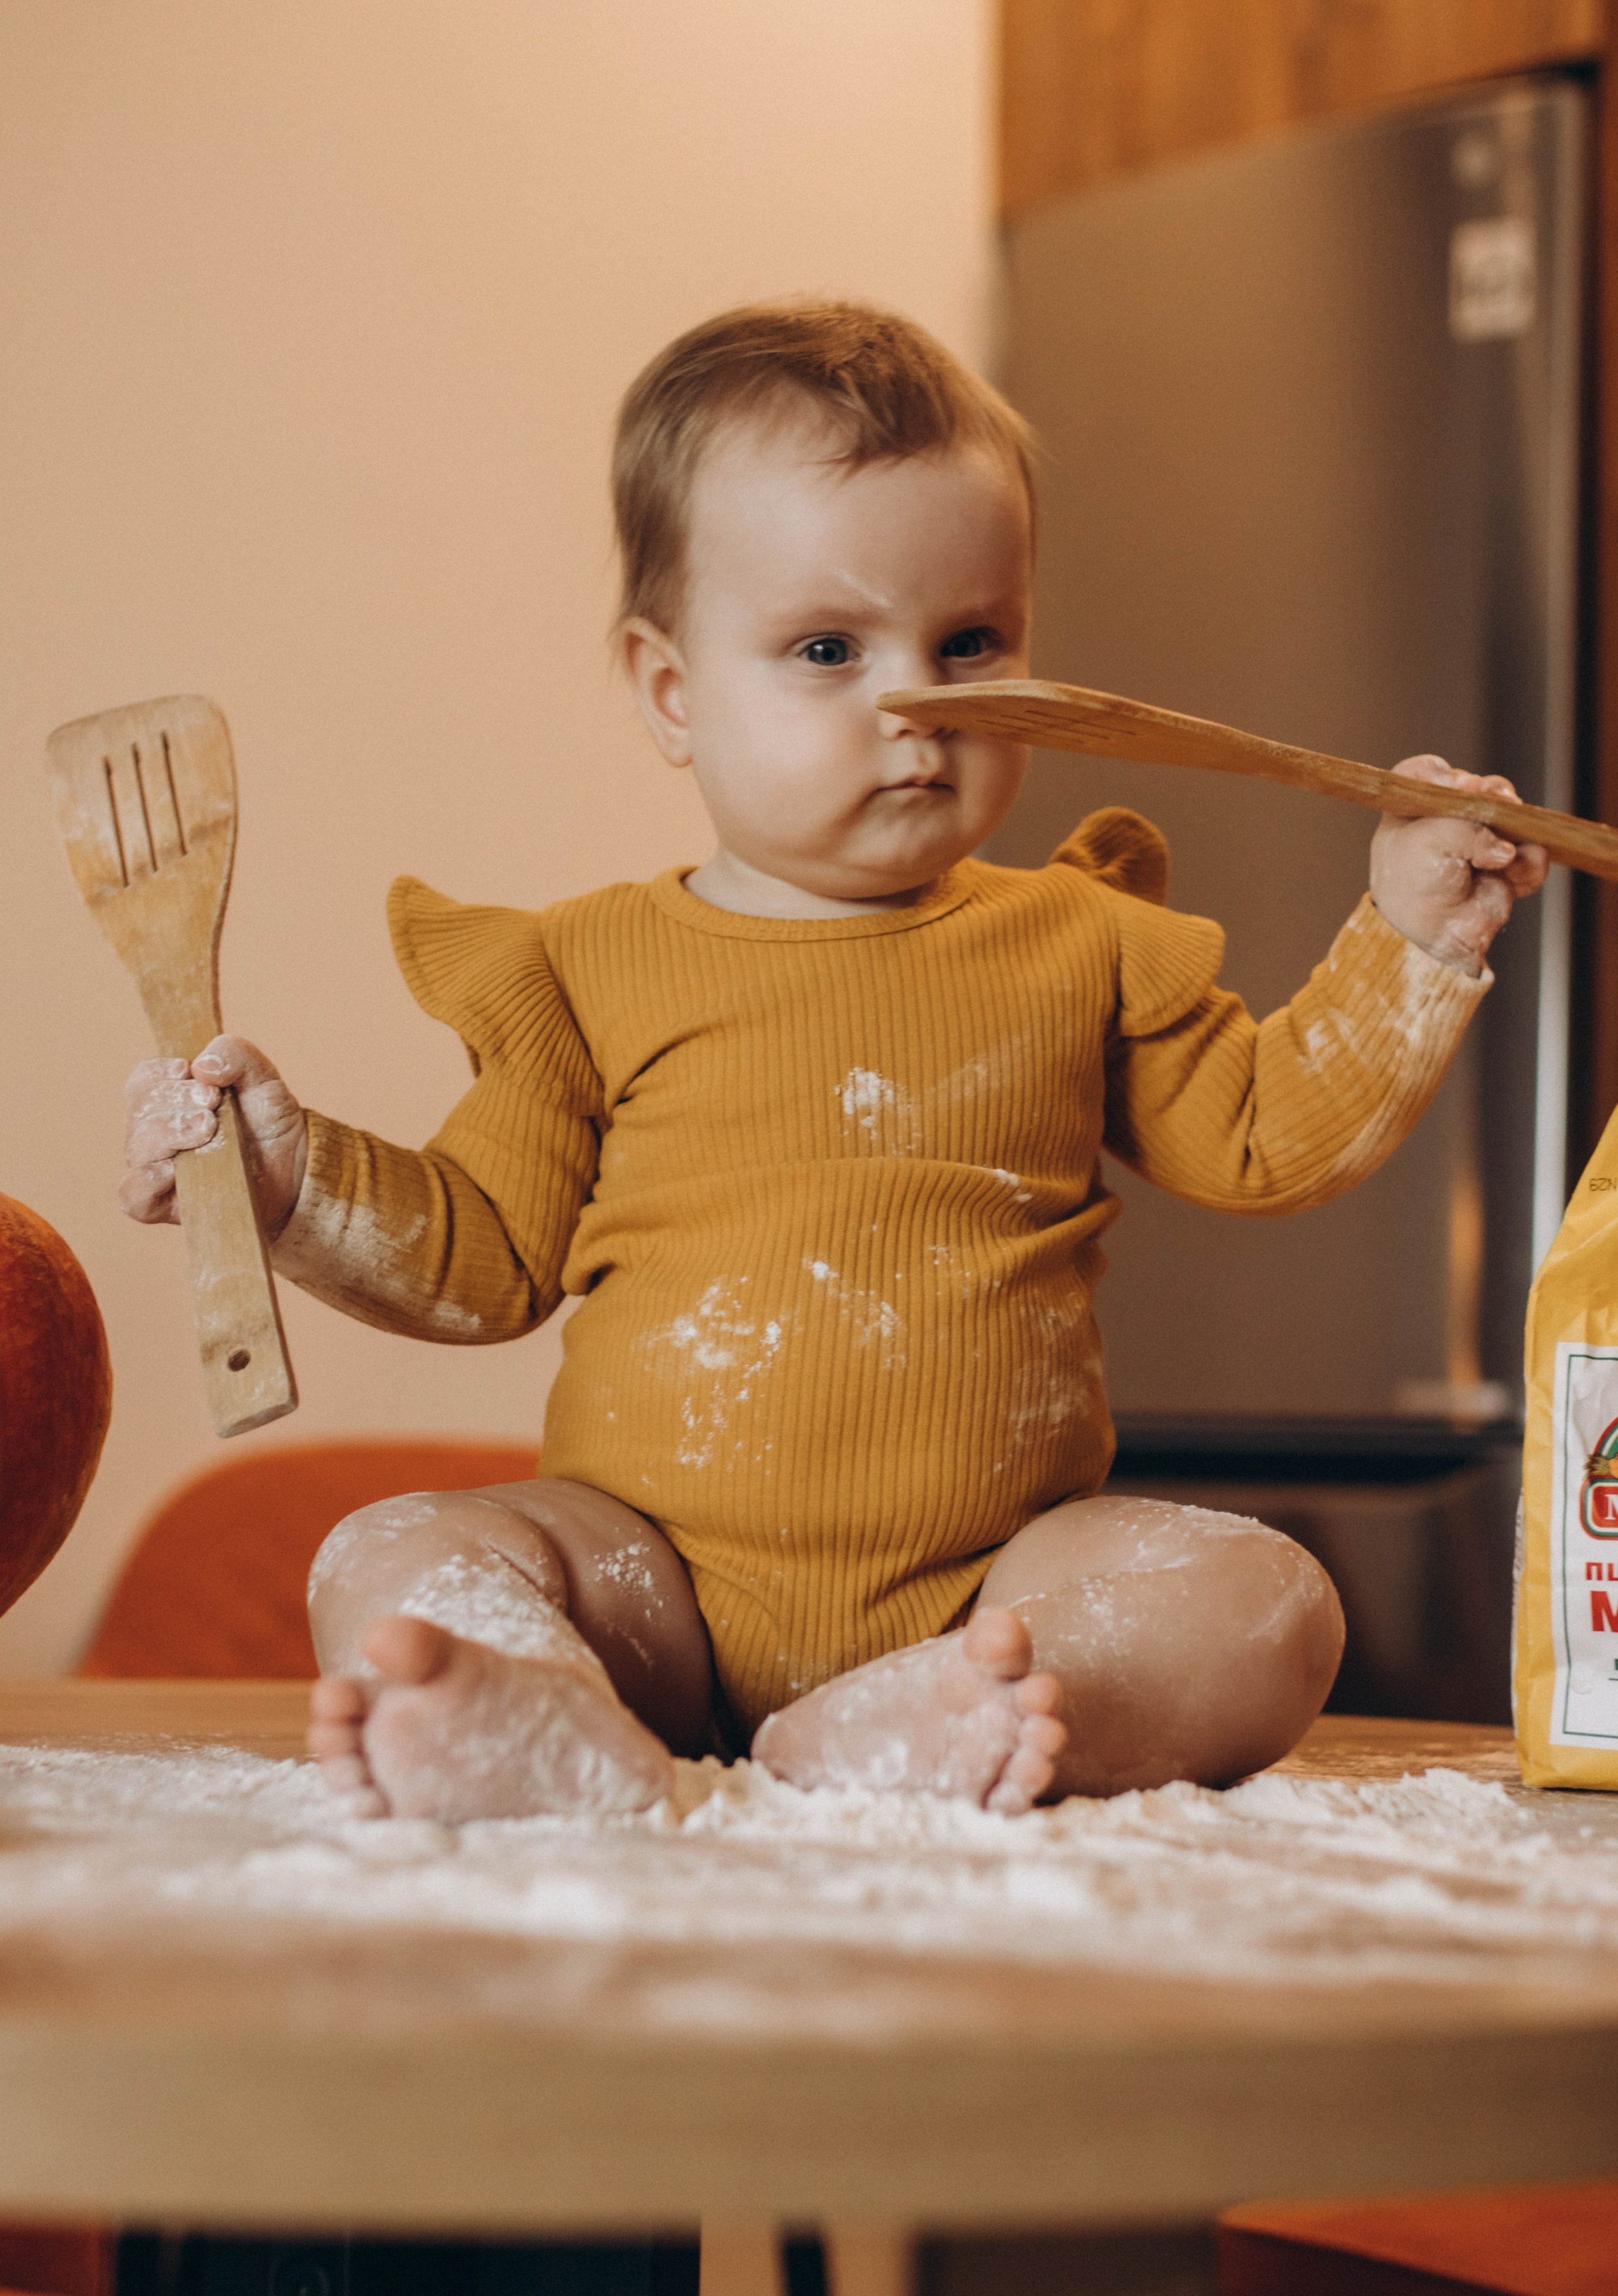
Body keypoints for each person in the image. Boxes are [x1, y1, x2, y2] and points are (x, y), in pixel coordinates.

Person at [120, 301, 1545, 1823]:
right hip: (644, 1587)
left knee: (1265, 1600)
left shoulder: (1081, 939)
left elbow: (1266, 1139)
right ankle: (540, 1722)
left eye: (969, 644)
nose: (912, 710)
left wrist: (1409, 934)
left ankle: (913, 1732)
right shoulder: (583, 968)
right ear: (671, 691)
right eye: (824, 648)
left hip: (991, 1592)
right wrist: (287, 1176)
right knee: (391, 1551)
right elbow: (481, 1262)